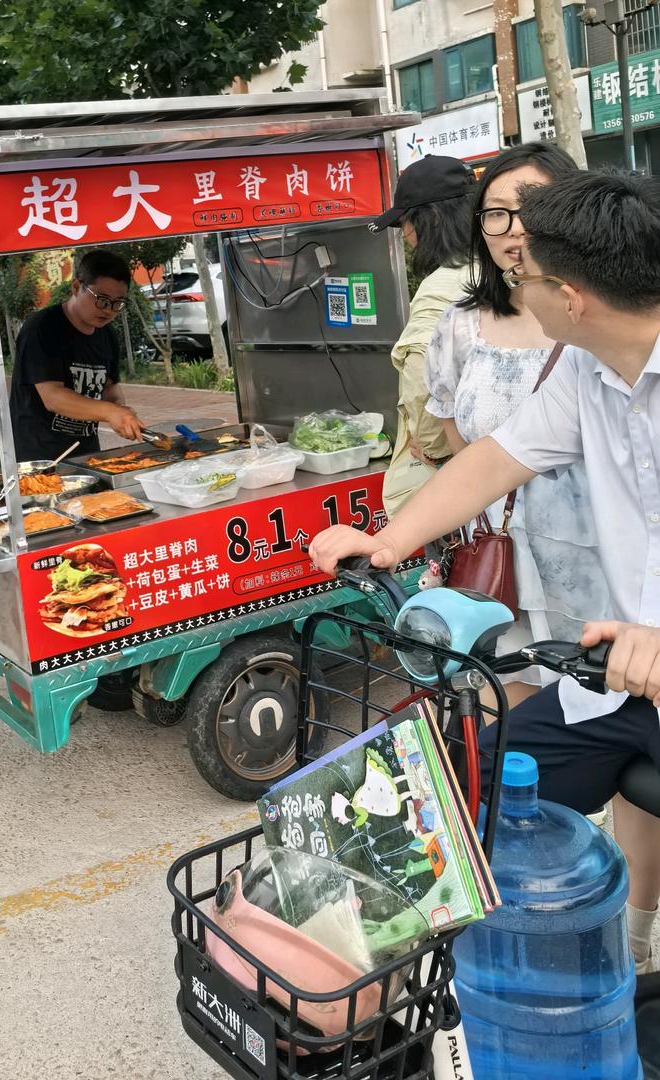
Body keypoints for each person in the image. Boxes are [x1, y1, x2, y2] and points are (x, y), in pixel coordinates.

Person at [308, 170, 660, 974]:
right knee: (467, 783)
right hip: (618, 681)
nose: (510, 280)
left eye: (523, 273)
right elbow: (499, 458)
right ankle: (369, 983)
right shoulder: (585, 369)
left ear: (570, 295)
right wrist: (390, 542)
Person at [423, 143, 609, 710]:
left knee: (608, 708)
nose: (512, 229)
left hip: (599, 561)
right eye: (495, 213)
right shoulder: (458, 324)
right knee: (508, 710)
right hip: (500, 558)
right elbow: (460, 438)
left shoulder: (605, 314)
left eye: (530, 207)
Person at [367, 155, 476, 516]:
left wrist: (430, 446)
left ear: (429, 219)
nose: (406, 236)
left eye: (405, 224)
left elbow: (421, 384)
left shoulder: (439, 287)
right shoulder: (495, 269)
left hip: (456, 473)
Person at [9, 248, 147, 461]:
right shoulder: (42, 328)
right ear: (76, 287)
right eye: (101, 299)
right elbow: (53, 397)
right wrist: (109, 412)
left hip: (87, 455)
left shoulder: (107, 334)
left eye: (117, 303)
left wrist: (121, 411)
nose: (109, 310)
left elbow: (110, 387)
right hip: (40, 457)